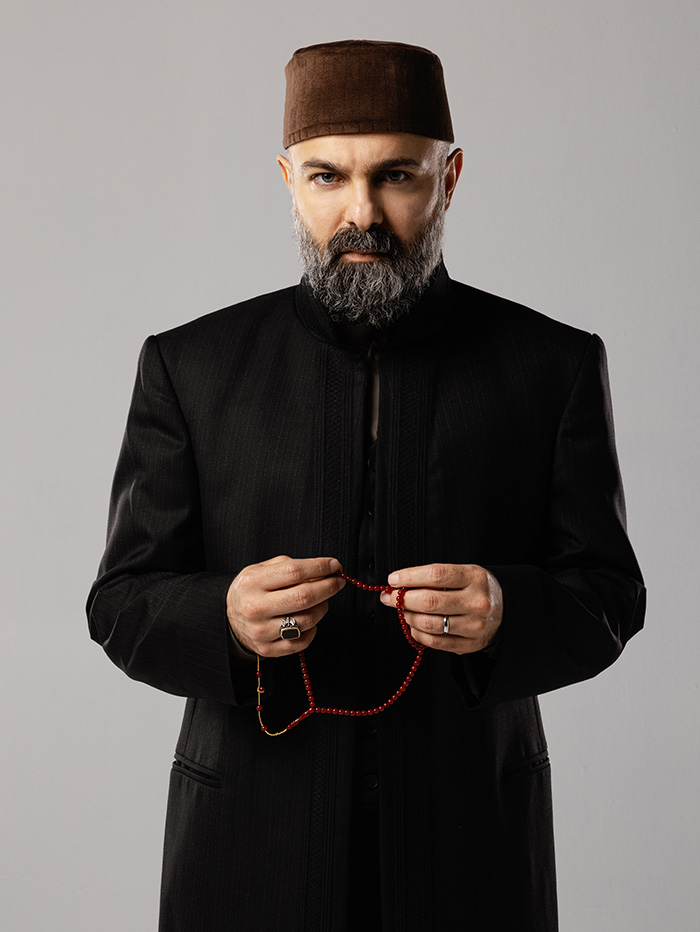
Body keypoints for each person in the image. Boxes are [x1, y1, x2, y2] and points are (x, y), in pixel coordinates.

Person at [87, 39, 645, 932]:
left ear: (448, 179)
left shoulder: (552, 365)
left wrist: (508, 611)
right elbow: (120, 602)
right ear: (288, 180)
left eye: (396, 176)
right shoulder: (188, 367)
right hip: (247, 848)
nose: (362, 213)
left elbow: (610, 595)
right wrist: (223, 618)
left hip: (472, 849)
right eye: (327, 177)